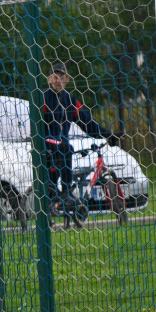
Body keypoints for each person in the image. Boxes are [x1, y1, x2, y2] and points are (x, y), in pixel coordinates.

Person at [42, 62, 122, 228]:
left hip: (60, 148)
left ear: (68, 80)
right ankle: (65, 191)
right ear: (49, 79)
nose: (58, 80)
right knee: (66, 148)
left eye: (62, 77)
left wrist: (109, 135)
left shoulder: (70, 100)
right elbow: (36, 126)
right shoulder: (41, 97)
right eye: (55, 76)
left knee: (63, 153)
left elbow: (88, 124)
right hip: (45, 144)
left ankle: (61, 201)